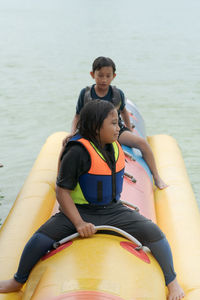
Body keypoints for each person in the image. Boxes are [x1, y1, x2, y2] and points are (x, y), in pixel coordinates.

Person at [0, 100, 184, 300]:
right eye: (113, 124)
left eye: (118, 123)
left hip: (113, 210)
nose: (118, 128)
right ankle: (18, 280)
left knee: (155, 234)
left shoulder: (114, 145)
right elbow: (62, 192)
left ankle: (172, 282)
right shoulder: (77, 152)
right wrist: (78, 222)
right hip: (80, 211)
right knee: (39, 239)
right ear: (96, 127)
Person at [70, 56, 168, 190]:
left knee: (142, 143)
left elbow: (124, 112)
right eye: (100, 76)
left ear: (113, 76)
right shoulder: (86, 93)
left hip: (115, 131)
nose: (104, 80)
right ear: (92, 75)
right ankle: (65, 180)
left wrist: (128, 129)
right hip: (90, 132)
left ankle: (156, 176)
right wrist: (72, 133)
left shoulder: (117, 94)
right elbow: (77, 116)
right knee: (68, 146)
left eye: (107, 76)